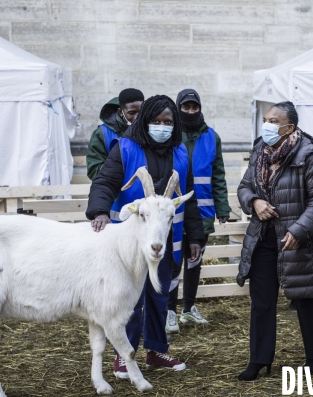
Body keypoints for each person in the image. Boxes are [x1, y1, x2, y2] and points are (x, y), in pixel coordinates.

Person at [86, 95, 205, 377]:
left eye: (168, 122)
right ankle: (123, 355)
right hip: (129, 242)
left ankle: (156, 350)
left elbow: (188, 199)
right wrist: (99, 210)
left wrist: (195, 235)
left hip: (160, 241)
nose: (162, 126)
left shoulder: (180, 154)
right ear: (145, 121)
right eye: (156, 121)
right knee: (128, 299)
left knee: (159, 294)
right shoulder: (126, 148)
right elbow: (106, 180)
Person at [236, 101, 313, 381]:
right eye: (266, 119)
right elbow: (244, 187)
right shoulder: (259, 150)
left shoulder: (307, 152)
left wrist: (300, 230)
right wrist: (254, 201)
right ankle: (259, 360)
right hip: (263, 238)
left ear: (290, 127)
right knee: (262, 302)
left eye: (274, 121)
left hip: (297, 240)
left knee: (305, 299)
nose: (267, 125)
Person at [166, 89, 231, 331]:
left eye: (195, 108)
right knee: (173, 262)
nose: (191, 112)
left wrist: (222, 206)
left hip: (203, 213)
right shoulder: (171, 135)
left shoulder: (212, 137)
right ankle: (169, 310)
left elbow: (218, 175)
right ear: (178, 108)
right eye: (186, 107)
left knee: (194, 261)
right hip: (174, 213)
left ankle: (188, 309)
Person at [86, 88, 144, 180]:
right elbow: (94, 170)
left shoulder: (149, 129)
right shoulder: (102, 134)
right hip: (116, 191)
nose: (137, 117)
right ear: (121, 112)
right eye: (131, 113)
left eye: (140, 113)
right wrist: (123, 170)